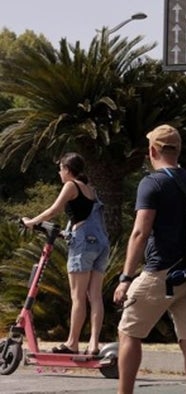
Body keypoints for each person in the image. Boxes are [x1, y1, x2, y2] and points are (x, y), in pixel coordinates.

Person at [113, 124, 186, 394]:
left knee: (129, 332)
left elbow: (140, 231)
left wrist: (126, 278)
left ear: (152, 150)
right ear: (178, 150)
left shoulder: (152, 183)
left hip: (161, 272)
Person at [23, 152, 109, 357]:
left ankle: (72, 342)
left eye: (61, 168)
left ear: (68, 170)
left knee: (77, 296)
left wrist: (31, 222)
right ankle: (94, 344)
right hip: (101, 243)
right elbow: (84, 215)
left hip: (84, 244)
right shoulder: (91, 190)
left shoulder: (71, 186)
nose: (59, 172)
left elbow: (54, 210)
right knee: (95, 296)